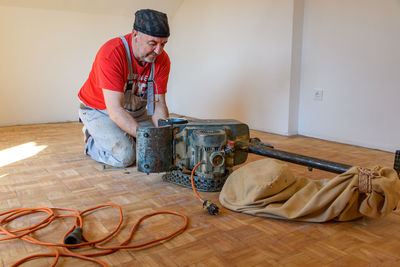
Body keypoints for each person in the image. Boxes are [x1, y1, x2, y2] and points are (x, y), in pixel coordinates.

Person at [78, 9, 170, 167]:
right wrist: (147, 138)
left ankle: (128, 135)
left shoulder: (162, 60)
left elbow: (157, 104)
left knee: (166, 146)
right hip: (100, 111)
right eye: (153, 43)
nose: (158, 51)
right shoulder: (112, 53)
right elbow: (115, 110)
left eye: (163, 44)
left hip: (133, 112)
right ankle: (91, 140)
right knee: (126, 156)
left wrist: (166, 135)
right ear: (135, 35)